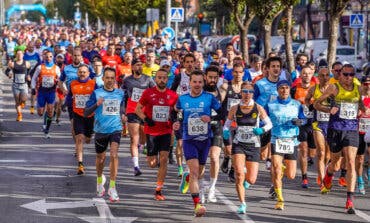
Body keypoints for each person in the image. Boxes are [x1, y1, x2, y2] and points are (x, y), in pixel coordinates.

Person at [314, 64, 368, 214]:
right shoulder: (334, 87)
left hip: (351, 129)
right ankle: (329, 174)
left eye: (352, 74)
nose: (349, 78)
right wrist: (328, 109)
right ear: (340, 74)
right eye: (345, 74)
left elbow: (361, 104)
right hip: (335, 129)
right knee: (335, 162)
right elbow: (316, 103)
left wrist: (364, 110)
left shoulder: (357, 87)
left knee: (351, 161)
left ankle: (349, 200)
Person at [174, 70, 222, 217]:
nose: (197, 84)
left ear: (204, 82)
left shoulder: (209, 98)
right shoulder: (183, 99)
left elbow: (221, 114)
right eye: (194, 81)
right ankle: (197, 205)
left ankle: (187, 178)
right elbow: (177, 115)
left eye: (200, 82)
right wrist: (176, 124)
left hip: (205, 140)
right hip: (189, 140)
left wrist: (211, 119)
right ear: (189, 83)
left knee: (200, 172)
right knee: (195, 171)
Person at [223, 82, 272, 214]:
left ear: (253, 94)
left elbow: (269, 124)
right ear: (241, 93)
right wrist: (226, 131)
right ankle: (242, 203)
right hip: (239, 144)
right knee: (239, 174)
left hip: (254, 145)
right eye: (245, 91)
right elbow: (226, 125)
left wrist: (261, 130)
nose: (247, 94)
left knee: (251, 179)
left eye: (250, 92)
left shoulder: (258, 108)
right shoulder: (234, 108)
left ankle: (247, 183)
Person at [135, 68, 178, 201]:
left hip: (166, 130)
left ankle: (158, 189)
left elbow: (176, 111)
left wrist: (174, 118)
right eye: (159, 77)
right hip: (152, 131)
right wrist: (146, 119)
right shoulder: (148, 93)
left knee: (164, 159)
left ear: (167, 79)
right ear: (155, 79)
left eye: (164, 78)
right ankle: (151, 153)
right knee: (153, 164)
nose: (162, 80)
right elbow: (137, 109)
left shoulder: (173, 95)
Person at [84, 67, 125, 203]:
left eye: (112, 78)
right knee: (100, 158)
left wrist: (124, 115)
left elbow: (122, 108)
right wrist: (97, 104)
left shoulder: (120, 93)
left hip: (116, 129)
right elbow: (86, 112)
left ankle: (112, 187)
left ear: (115, 79)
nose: (109, 80)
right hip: (101, 130)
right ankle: (99, 179)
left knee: (114, 155)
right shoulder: (96, 93)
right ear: (103, 79)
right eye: (107, 77)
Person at [267, 79, 306, 210]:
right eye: (281, 88)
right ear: (277, 90)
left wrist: (300, 122)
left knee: (291, 175)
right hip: (276, 139)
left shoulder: (296, 104)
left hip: (291, 140)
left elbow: (304, 119)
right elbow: (264, 119)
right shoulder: (270, 105)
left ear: (290, 89)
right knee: (276, 169)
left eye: (286, 88)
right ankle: (280, 199)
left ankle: (283, 169)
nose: (284, 90)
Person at [122, 58, 156, 176]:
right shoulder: (127, 81)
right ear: (132, 67)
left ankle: (143, 145)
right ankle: (136, 166)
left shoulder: (148, 79)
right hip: (132, 111)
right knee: (134, 139)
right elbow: (122, 96)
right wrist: (122, 112)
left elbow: (155, 92)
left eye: (141, 65)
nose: (140, 67)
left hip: (145, 112)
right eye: (137, 65)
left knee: (144, 136)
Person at [305, 66, 331, 186]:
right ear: (318, 77)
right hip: (318, 124)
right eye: (322, 75)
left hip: (331, 125)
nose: (325, 78)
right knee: (321, 153)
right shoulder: (313, 89)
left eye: (327, 75)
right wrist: (309, 107)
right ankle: (322, 181)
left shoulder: (334, 90)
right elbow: (306, 99)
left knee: (327, 155)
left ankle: (325, 172)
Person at [290, 65, 316, 188]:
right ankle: (304, 177)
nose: (306, 75)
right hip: (301, 123)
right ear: (301, 75)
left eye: (308, 73)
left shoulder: (316, 89)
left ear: (312, 75)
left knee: (314, 153)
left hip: (314, 122)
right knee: (304, 150)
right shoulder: (295, 89)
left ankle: (311, 159)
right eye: (304, 73)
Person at [219, 63, 244, 182]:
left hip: (241, 124)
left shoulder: (246, 88)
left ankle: (233, 170)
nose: (238, 74)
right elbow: (219, 101)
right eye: (235, 72)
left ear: (243, 73)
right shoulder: (225, 86)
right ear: (232, 73)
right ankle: (226, 157)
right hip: (227, 123)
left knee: (237, 149)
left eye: (240, 72)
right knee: (229, 149)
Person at [69, 64, 96, 175]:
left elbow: (99, 98)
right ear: (77, 73)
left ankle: (89, 135)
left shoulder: (94, 84)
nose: (82, 74)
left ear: (88, 73)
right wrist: (66, 106)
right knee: (79, 137)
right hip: (78, 114)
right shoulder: (73, 83)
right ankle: (80, 164)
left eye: (84, 72)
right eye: (80, 71)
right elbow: (69, 97)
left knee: (88, 139)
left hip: (90, 116)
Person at [203, 65, 223, 203]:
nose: (212, 80)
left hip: (217, 128)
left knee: (215, 158)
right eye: (210, 77)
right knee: (201, 161)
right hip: (200, 129)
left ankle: (211, 188)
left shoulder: (222, 90)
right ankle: (199, 188)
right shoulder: (199, 90)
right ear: (205, 77)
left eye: (215, 77)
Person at [31, 50, 61, 138]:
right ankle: (44, 118)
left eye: (50, 56)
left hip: (51, 92)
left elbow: (60, 79)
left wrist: (61, 85)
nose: (48, 58)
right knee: (40, 113)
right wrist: (33, 88)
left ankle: (47, 129)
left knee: (50, 111)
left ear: (53, 57)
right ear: (44, 57)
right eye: (47, 56)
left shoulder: (56, 68)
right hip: (41, 92)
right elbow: (34, 78)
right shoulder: (40, 67)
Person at [7, 49, 31, 121]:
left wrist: (29, 76)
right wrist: (9, 74)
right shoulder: (12, 63)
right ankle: (19, 115)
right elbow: (7, 71)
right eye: (18, 54)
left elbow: (30, 70)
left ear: (23, 55)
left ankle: (23, 102)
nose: (19, 55)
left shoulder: (26, 63)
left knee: (24, 99)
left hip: (24, 85)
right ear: (16, 55)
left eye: (20, 54)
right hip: (15, 85)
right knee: (17, 101)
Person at [356, 75, 370, 195]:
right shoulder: (357, 97)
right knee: (360, 158)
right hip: (359, 130)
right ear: (362, 85)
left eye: (369, 83)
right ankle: (360, 180)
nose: (368, 86)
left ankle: (369, 170)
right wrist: (358, 112)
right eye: (365, 83)